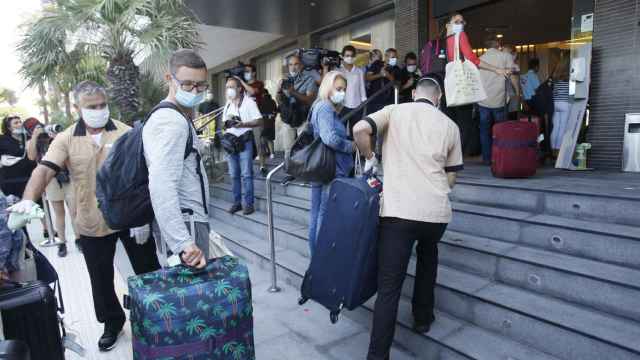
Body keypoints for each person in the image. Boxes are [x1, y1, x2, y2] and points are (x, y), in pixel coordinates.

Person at [8, 80, 161, 352]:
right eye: (92, 106)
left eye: (103, 105)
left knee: (147, 269)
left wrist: (146, 217)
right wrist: (27, 200)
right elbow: (44, 170)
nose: (99, 110)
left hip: (131, 217)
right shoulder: (66, 138)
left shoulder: (127, 132)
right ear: (79, 108)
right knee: (100, 278)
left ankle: (157, 315)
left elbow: (148, 173)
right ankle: (112, 323)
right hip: (92, 220)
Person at [353, 77, 463, 360]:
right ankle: (422, 317)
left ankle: (378, 356)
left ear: (414, 94)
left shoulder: (394, 111)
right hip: (435, 214)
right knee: (428, 259)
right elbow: (451, 177)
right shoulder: (450, 126)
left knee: (389, 286)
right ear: (439, 98)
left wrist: (370, 158)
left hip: (398, 213)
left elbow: (360, 129)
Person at [143, 49, 215, 267]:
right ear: (169, 79)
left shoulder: (175, 116)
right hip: (186, 225)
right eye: (187, 84)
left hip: (189, 221)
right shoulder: (171, 122)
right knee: (193, 297)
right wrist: (183, 243)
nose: (194, 91)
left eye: (201, 85)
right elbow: (161, 185)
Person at [445, 14, 511, 158]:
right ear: (448, 24)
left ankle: (447, 155)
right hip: (462, 86)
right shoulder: (460, 36)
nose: (460, 24)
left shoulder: (444, 40)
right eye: (456, 21)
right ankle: (456, 158)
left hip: (449, 86)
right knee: (465, 124)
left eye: (462, 21)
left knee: (452, 123)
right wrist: (496, 69)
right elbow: (473, 59)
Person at [308, 71, 355, 256]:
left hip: (322, 167)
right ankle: (321, 258)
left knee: (317, 213)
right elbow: (330, 139)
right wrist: (350, 146)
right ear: (328, 88)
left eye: (344, 89)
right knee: (324, 215)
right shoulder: (325, 108)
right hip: (331, 168)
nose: (342, 92)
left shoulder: (319, 107)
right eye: (338, 88)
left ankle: (316, 258)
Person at [22, 118, 68, 257]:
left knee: (74, 210)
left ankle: (79, 239)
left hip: (68, 176)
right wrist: (35, 136)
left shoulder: (52, 135)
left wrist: (55, 137)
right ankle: (62, 243)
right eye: (33, 127)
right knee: (59, 212)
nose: (38, 128)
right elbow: (31, 157)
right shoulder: (31, 141)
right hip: (51, 179)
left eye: (38, 125)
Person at [221, 76, 264, 215]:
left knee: (246, 174)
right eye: (227, 87)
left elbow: (259, 120)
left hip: (245, 140)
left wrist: (243, 124)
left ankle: (249, 204)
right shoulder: (228, 104)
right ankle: (237, 202)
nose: (229, 90)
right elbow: (224, 123)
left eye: (231, 87)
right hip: (231, 143)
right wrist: (228, 124)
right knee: (234, 174)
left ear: (239, 88)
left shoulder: (249, 102)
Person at [278, 54, 318, 184]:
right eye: (290, 64)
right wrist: (279, 90)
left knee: (303, 146)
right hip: (288, 118)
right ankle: (290, 173)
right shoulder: (285, 80)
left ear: (301, 66)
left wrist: (293, 91)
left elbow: (309, 99)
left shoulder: (309, 80)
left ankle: (304, 174)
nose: (293, 67)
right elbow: (278, 100)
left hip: (303, 117)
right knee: (288, 148)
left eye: (296, 64)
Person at [477, 38, 516, 164]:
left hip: (483, 100)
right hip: (500, 99)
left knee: (484, 131)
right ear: (498, 45)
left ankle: (487, 158)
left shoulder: (480, 58)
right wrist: (518, 92)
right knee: (501, 131)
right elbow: (512, 73)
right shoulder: (506, 56)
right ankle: (501, 156)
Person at [0, 116, 37, 200]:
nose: (20, 124)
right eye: (16, 123)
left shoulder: (29, 138)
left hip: (31, 180)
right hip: (10, 183)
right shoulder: (2, 140)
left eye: (20, 122)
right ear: (9, 127)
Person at [338, 45, 367, 135]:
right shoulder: (338, 70)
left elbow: (362, 88)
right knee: (340, 130)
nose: (349, 58)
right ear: (342, 56)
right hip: (342, 106)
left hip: (357, 106)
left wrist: (364, 103)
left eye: (351, 55)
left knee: (355, 132)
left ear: (354, 57)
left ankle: (355, 149)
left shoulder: (359, 71)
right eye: (347, 55)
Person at [366, 48, 401, 112]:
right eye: (393, 57)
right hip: (375, 101)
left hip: (390, 102)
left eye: (396, 57)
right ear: (386, 56)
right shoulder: (377, 63)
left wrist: (388, 76)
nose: (395, 59)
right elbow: (367, 77)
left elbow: (398, 86)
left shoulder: (397, 69)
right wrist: (380, 75)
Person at [551, 58, 571, 157]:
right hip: (565, 103)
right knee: (563, 127)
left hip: (556, 103)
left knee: (556, 127)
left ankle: (553, 150)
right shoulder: (569, 76)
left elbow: (554, 91)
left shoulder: (555, 76)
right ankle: (559, 151)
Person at [260, 89, 278, 165]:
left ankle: (263, 153)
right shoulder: (272, 101)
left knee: (263, 138)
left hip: (263, 121)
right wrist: (273, 117)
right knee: (270, 138)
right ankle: (272, 153)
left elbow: (259, 111)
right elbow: (276, 111)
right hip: (271, 121)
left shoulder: (260, 102)